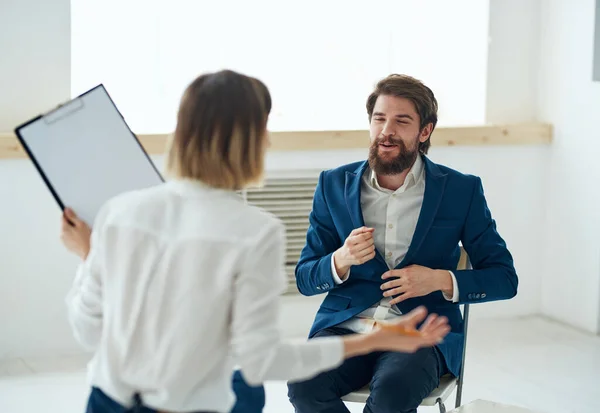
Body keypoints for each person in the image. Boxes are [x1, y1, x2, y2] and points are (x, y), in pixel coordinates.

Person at [59, 69, 452, 413]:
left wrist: (91, 256)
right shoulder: (253, 230)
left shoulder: (120, 212)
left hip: (107, 400)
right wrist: (368, 342)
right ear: (249, 140)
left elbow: (89, 329)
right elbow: (260, 360)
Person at [287, 74, 519, 413]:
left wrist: (438, 279)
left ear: (425, 131)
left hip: (420, 332)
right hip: (345, 327)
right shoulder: (333, 184)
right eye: (379, 118)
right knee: (303, 379)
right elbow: (306, 277)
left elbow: (504, 278)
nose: (386, 131)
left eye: (401, 120)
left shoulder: (460, 190)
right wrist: (341, 258)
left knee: (394, 391)